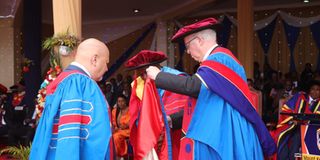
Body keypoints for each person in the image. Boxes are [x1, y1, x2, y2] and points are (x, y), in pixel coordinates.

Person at [146, 17, 276, 159]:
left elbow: (192, 86)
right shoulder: (216, 60)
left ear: (199, 40)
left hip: (228, 132)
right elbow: (206, 102)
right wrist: (173, 120)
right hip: (221, 130)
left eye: (187, 46)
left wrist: (159, 76)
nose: (188, 52)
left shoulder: (219, 59)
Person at [30, 38, 112, 160]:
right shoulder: (80, 83)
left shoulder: (63, 79)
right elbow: (71, 135)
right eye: (106, 62)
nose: (106, 68)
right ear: (94, 59)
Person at [271, 80, 320, 159]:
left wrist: (302, 121)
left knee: (296, 137)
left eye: (318, 90)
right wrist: (292, 120)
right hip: (292, 124)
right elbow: (287, 109)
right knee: (281, 136)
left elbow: (317, 117)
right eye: (313, 89)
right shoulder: (300, 97)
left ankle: (292, 158)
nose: (315, 91)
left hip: (311, 128)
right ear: (309, 90)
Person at [112, 94, 130, 159]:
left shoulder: (130, 110)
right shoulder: (115, 111)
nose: (121, 103)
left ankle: (120, 155)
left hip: (128, 131)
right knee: (109, 136)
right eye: (119, 101)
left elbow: (131, 122)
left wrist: (126, 125)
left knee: (116, 137)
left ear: (126, 101)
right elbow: (113, 123)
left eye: (122, 101)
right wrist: (115, 127)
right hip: (118, 131)